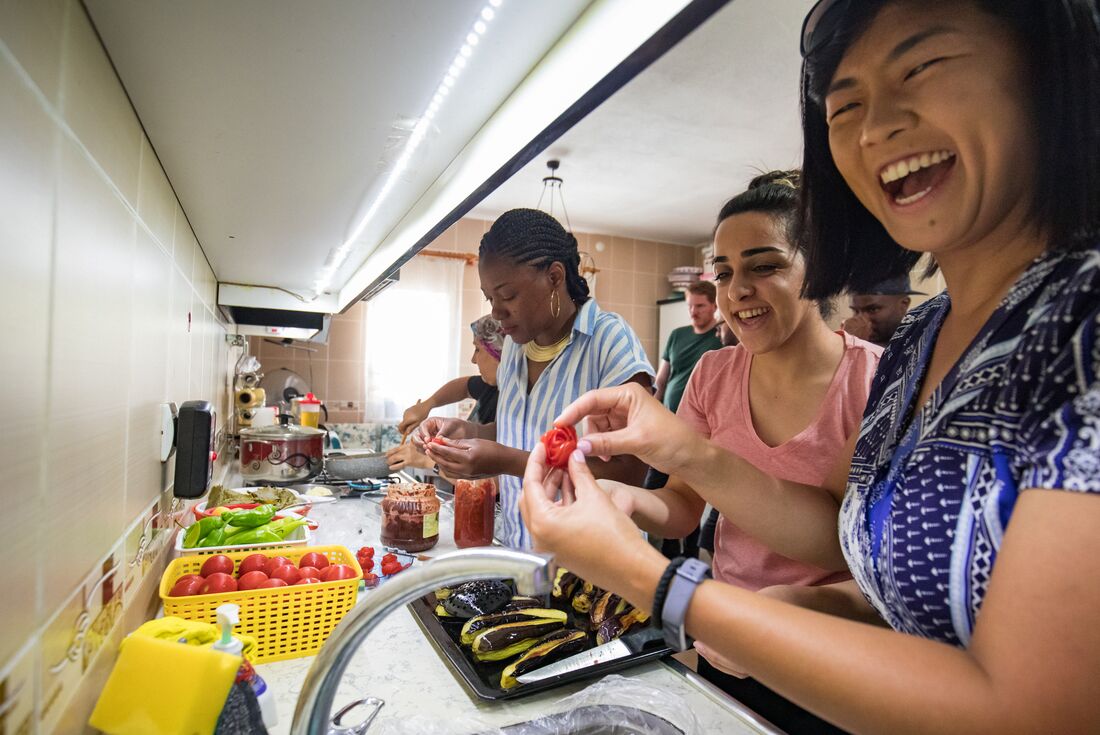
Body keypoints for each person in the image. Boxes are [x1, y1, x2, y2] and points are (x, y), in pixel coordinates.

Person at [519, 1, 1100, 733]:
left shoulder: (1081, 324)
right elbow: (850, 548)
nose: (874, 127)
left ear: (1048, 72)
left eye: (922, 66)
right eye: (843, 105)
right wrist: (681, 455)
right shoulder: (922, 338)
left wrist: (661, 584)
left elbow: (1035, 709)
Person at [598, 171, 881, 732]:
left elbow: (869, 559)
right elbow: (684, 503)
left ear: (817, 266)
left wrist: (791, 607)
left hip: (831, 653)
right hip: (726, 636)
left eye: (764, 266)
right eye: (724, 274)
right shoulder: (713, 373)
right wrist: (626, 500)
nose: (736, 291)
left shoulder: (875, 382)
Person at [415, 208, 654, 548]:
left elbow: (631, 472)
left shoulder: (608, 341)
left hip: (595, 569)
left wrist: (505, 461)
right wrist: (469, 433)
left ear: (555, 277)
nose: (497, 313)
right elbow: (518, 428)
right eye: (490, 298)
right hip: (524, 555)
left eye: (508, 296)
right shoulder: (515, 345)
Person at [386, 315, 504, 472]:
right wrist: (428, 405)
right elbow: (463, 386)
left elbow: (491, 479)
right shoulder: (491, 385)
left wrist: (429, 462)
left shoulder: (515, 403)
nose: (473, 360)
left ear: (500, 352)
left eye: (477, 349)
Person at [653, 281, 723, 412]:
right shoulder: (677, 335)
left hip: (703, 417)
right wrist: (651, 410)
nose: (693, 312)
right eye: (690, 306)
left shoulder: (723, 337)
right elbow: (661, 380)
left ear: (715, 306)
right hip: (669, 415)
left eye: (700, 306)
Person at [839, 275, 923, 347]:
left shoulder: (922, 344)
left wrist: (856, 347)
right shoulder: (848, 340)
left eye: (872, 310)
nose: (861, 320)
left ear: (904, 304)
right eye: (856, 311)